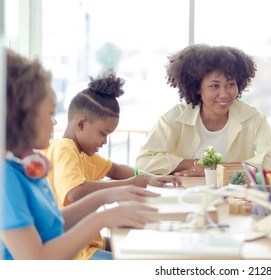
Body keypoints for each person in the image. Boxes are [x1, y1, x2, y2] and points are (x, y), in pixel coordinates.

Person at [1, 48, 159, 260]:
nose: (55, 121)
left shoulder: (25, 167)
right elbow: (37, 261)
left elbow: (55, 222)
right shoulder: (6, 178)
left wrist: (108, 195)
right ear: (21, 115)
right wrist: (103, 218)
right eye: (49, 113)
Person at [43, 69, 181, 259]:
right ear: (81, 124)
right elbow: (75, 191)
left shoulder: (83, 153)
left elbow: (115, 169)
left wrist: (150, 177)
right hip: (77, 252)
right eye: (103, 133)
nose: (105, 141)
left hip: (89, 243)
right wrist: (129, 184)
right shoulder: (64, 147)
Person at [136, 44, 271, 177]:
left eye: (230, 84)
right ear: (197, 87)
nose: (224, 94)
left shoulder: (252, 118)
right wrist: (195, 165)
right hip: (184, 195)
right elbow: (143, 162)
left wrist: (218, 168)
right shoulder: (176, 118)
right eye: (214, 86)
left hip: (233, 198)